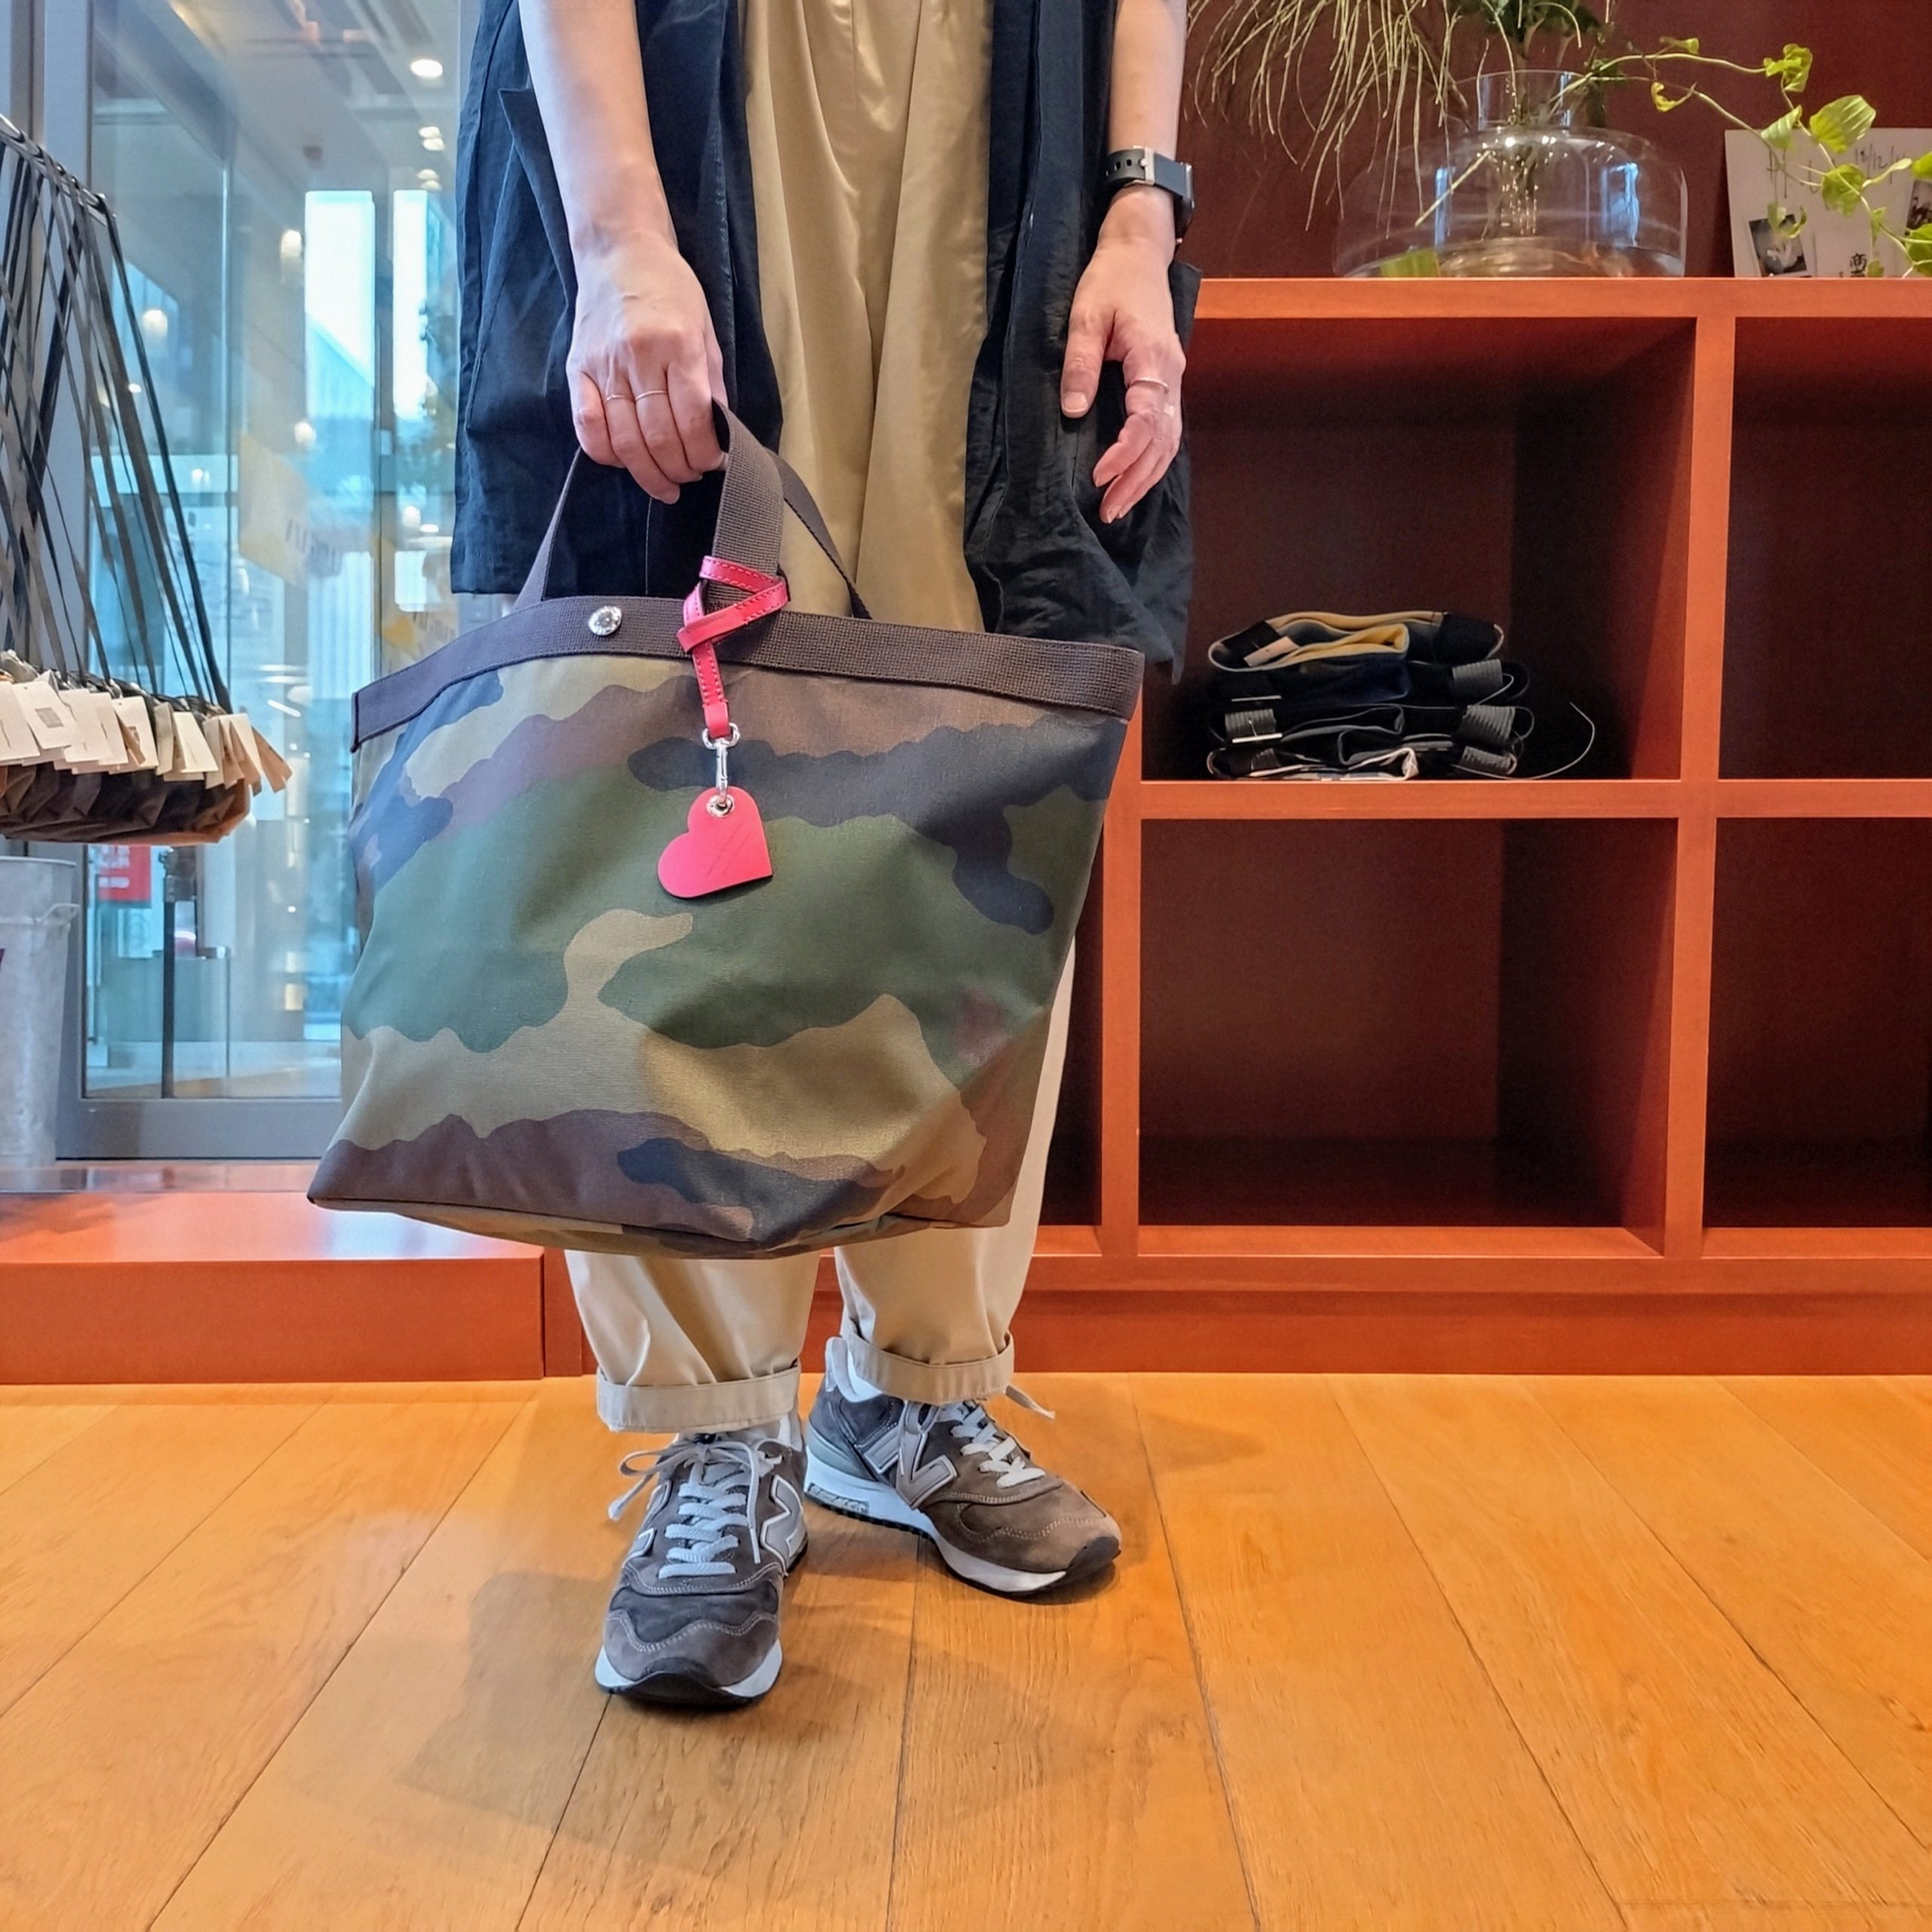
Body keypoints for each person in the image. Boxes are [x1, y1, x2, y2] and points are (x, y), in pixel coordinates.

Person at [454, 0, 1195, 1706]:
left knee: (974, 759)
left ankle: (915, 1387)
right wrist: (618, 233)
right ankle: (713, 1431)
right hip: (696, 81)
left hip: (1007, 99)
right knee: (666, 751)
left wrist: (1141, 213)